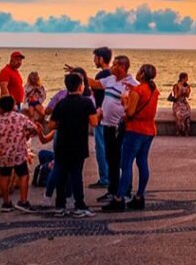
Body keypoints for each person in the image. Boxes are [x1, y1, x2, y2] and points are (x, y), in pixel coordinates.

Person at [82, 55, 137, 204]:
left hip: (120, 127)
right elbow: (94, 84)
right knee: (110, 158)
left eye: (114, 65)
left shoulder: (132, 84)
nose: (111, 67)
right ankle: (112, 190)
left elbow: (134, 106)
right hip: (106, 125)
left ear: (122, 67)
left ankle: (125, 191)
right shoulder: (110, 79)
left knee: (122, 160)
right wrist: (80, 74)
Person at [105, 64, 159, 212]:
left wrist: (124, 101)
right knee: (142, 163)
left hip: (135, 130)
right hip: (149, 130)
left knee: (126, 163)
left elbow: (129, 112)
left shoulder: (138, 90)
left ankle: (119, 198)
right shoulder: (154, 90)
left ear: (142, 74)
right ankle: (139, 197)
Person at [46, 72, 98, 217]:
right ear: (80, 86)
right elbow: (94, 122)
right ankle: (79, 205)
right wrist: (99, 113)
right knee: (76, 175)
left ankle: (60, 205)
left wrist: (63, 124)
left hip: (62, 143)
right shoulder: (87, 102)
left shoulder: (61, 103)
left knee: (61, 175)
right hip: (78, 144)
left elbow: (51, 125)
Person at [0, 95, 52, 212]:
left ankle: (6, 203)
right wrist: (26, 134)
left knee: (4, 176)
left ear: (1, 109)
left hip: (4, 155)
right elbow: (34, 128)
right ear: (13, 106)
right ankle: (23, 201)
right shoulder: (20, 118)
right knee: (23, 175)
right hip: (19, 154)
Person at [89, 47, 112, 189]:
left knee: (101, 147)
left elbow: (94, 91)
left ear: (101, 59)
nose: (94, 60)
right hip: (109, 116)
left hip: (100, 115)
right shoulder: (112, 74)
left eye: (95, 57)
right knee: (109, 147)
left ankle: (104, 178)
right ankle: (111, 176)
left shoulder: (101, 75)